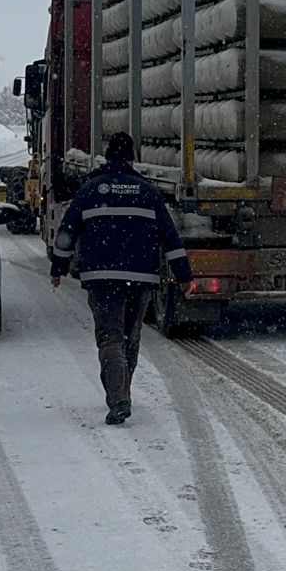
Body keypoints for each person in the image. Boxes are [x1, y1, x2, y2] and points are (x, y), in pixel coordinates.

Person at [49, 132, 192, 423]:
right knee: (130, 337)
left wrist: (57, 267)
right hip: (141, 278)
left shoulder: (91, 190)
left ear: (107, 156)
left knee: (110, 337)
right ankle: (123, 392)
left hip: (102, 277)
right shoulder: (148, 192)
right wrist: (183, 275)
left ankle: (119, 398)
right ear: (131, 158)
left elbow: (66, 232)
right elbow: (170, 236)